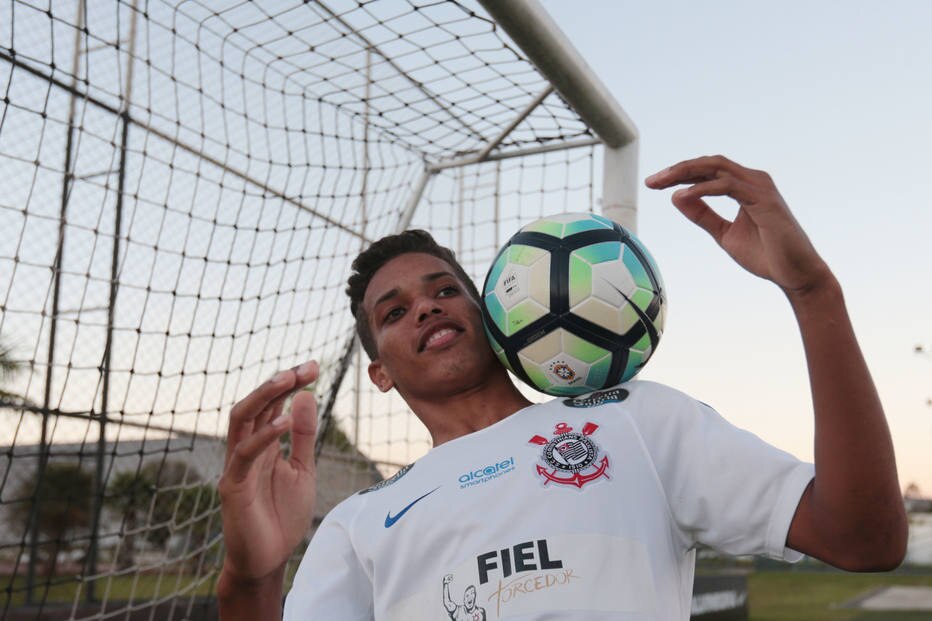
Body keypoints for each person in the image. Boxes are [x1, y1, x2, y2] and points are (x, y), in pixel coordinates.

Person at [216, 156, 907, 621]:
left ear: (492, 311)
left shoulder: (636, 421)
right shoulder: (359, 522)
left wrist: (814, 292)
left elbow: (865, 537)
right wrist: (251, 576)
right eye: (394, 312)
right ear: (381, 372)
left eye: (443, 289)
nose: (425, 308)